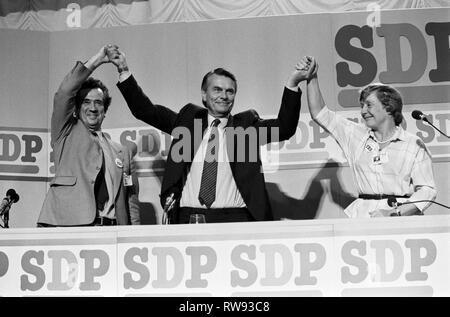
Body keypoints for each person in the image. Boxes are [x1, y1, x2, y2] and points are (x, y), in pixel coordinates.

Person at [107, 46, 313, 223]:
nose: (224, 96)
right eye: (217, 90)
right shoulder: (187, 124)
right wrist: (124, 71)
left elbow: (285, 128)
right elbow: (145, 110)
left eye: (230, 91)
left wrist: (293, 83)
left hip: (237, 219)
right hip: (189, 218)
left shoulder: (246, 129)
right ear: (204, 95)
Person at [302, 56, 437, 218]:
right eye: (362, 105)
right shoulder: (354, 135)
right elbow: (319, 113)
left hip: (403, 218)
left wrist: (394, 213)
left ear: (388, 107)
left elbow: (427, 190)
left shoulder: (413, 144)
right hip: (364, 219)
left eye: (369, 105)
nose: (363, 111)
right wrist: (312, 77)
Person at [37, 46, 140, 227]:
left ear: (105, 110)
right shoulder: (65, 131)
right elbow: (64, 93)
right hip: (68, 226)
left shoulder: (120, 151)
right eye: (86, 102)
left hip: (112, 231)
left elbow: (130, 200)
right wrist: (97, 60)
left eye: (98, 103)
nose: (93, 108)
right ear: (76, 108)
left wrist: (133, 235)